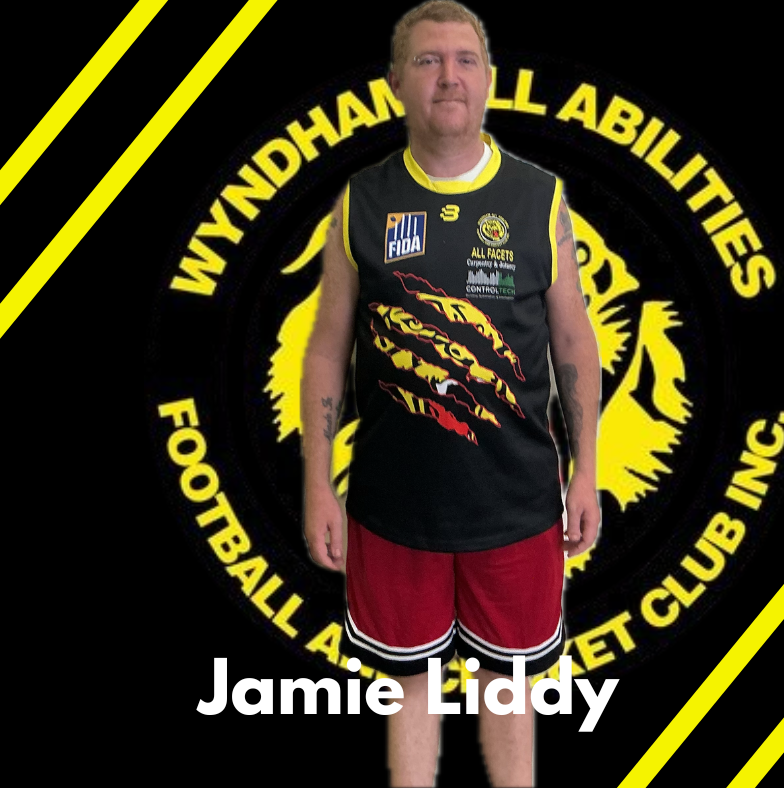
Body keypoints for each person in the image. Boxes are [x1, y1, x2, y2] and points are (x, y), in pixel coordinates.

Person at [300, 2, 601, 784]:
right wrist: (316, 484)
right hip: (394, 503)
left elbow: (574, 342)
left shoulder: (541, 198)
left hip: (516, 501)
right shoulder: (359, 202)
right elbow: (327, 348)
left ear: (490, 79)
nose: (449, 76)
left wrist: (588, 469)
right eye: (429, 60)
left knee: (510, 686)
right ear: (396, 81)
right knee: (409, 687)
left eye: (465, 59)